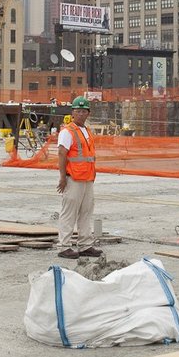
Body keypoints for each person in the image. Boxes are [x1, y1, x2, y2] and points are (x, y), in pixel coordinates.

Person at [56, 96, 102, 259]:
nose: (81, 114)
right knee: (69, 212)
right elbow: (62, 153)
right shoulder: (67, 132)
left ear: (88, 113)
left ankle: (85, 245)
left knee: (86, 212)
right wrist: (62, 178)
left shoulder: (86, 131)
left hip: (87, 178)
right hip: (73, 178)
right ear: (72, 113)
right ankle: (64, 246)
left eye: (84, 111)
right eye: (78, 111)